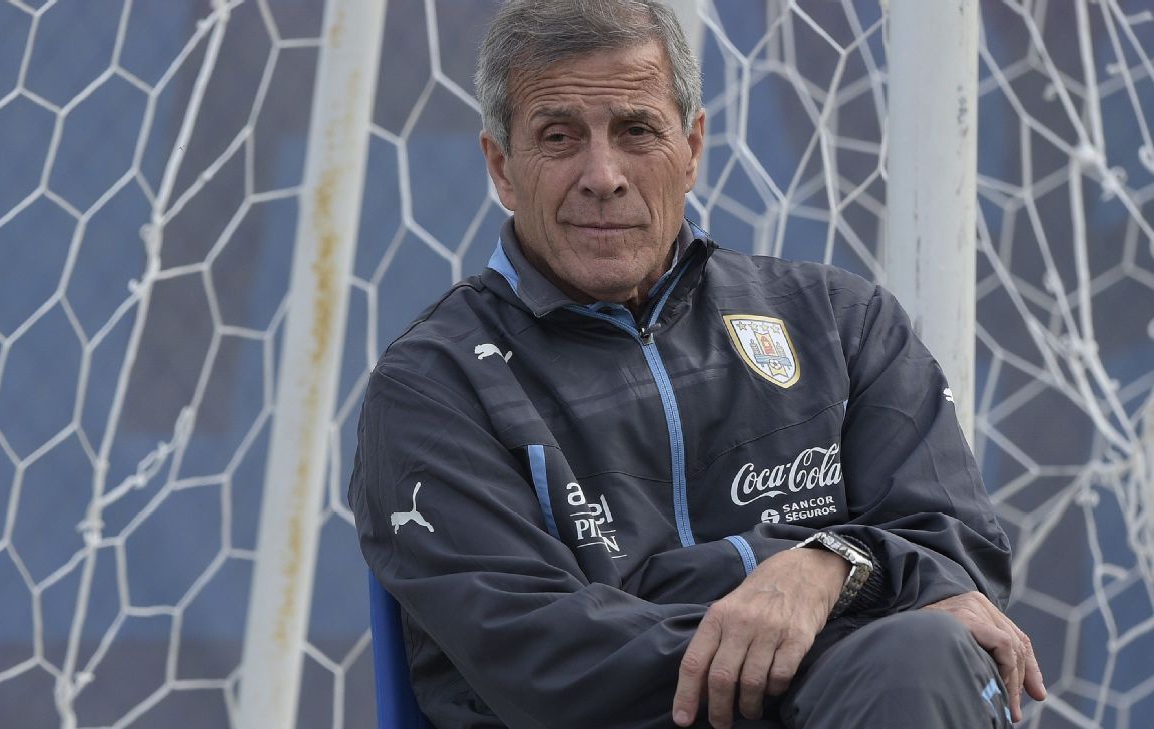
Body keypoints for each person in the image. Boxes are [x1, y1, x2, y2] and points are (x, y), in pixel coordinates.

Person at [348, 1, 1048, 727]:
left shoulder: (841, 322)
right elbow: (550, 664)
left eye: (637, 131)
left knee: (923, 657)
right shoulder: (436, 386)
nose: (603, 175)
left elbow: (959, 557)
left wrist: (825, 568)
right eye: (559, 137)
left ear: (692, 148)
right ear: (502, 167)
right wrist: (811, 627)